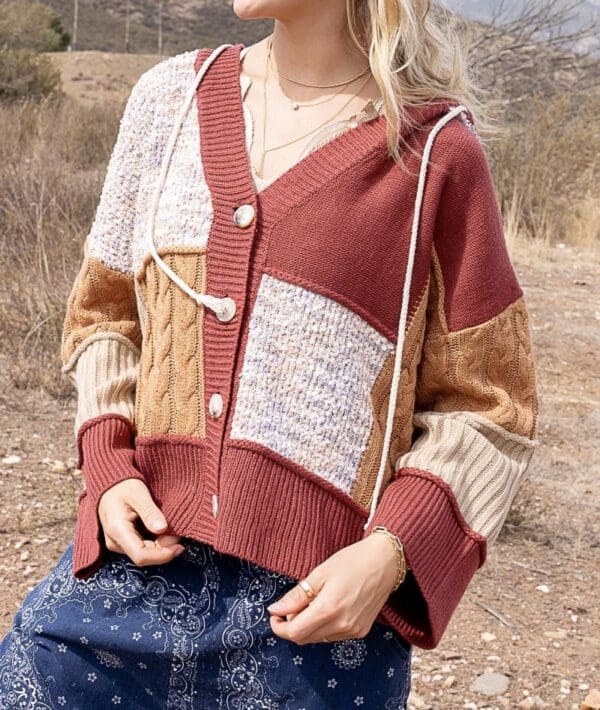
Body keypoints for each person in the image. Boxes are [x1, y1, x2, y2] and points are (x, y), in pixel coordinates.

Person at [0, 0, 539, 707]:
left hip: (313, 625)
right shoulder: (170, 100)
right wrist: (106, 459)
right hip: (128, 581)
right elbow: (106, 309)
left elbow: (489, 404)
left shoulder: (437, 154)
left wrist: (390, 552)